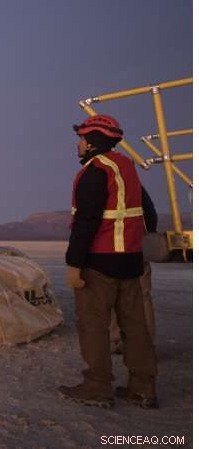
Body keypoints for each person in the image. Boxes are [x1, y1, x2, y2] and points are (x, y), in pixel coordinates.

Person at [58, 114, 159, 409]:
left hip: (99, 263)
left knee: (94, 326)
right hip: (131, 262)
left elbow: (86, 223)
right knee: (135, 326)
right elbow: (148, 214)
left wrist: (74, 263)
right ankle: (143, 388)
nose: (78, 145)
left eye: (81, 139)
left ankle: (96, 386)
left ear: (92, 143)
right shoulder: (126, 169)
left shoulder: (94, 173)